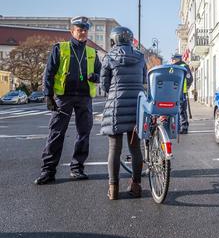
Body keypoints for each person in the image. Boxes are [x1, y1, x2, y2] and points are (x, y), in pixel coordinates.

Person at [35, 16, 101, 185]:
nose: (83, 32)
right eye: (79, 29)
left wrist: (96, 76)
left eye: (85, 29)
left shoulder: (92, 52)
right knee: (56, 133)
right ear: (72, 31)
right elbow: (49, 72)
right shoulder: (60, 48)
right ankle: (48, 171)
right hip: (63, 97)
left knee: (83, 134)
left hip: (84, 97)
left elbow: (101, 74)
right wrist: (48, 96)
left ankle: (77, 168)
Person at [100, 26, 146, 200]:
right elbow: (143, 79)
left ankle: (113, 189)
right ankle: (135, 186)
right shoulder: (140, 57)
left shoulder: (109, 57)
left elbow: (104, 84)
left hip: (116, 107)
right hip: (136, 106)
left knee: (114, 149)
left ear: (114, 40)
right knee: (135, 149)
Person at [171, 54, 193, 134]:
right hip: (180, 92)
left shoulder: (181, 66)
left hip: (178, 92)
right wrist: (186, 88)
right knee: (181, 110)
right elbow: (190, 79)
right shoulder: (181, 67)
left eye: (173, 59)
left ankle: (182, 127)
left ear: (177, 59)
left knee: (180, 110)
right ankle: (182, 127)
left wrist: (185, 88)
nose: (172, 60)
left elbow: (189, 79)